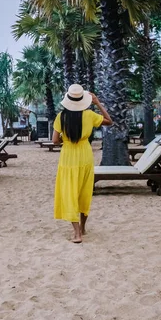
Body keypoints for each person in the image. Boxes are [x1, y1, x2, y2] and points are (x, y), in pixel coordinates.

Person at [52, 84, 112, 243]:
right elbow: (109, 121)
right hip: (85, 155)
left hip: (68, 157)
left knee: (70, 192)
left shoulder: (61, 117)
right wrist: (98, 103)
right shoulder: (90, 115)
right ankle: (83, 228)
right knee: (84, 191)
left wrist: (66, 140)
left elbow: (55, 141)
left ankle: (77, 233)